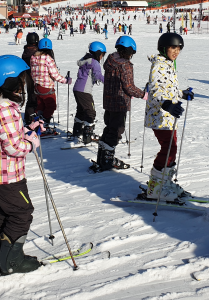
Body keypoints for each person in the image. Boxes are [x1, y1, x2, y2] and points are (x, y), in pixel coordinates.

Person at [0, 55, 43, 276]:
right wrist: (32, 142)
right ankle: (11, 261)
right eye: (21, 79)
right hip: (7, 175)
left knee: (0, 211)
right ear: (10, 81)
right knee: (21, 213)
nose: (23, 83)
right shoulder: (6, 109)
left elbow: (4, 134)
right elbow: (14, 148)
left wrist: (27, 129)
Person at [144, 33, 194, 201]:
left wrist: (181, 93)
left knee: (171, 147)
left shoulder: (169, 64)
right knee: (169, 148)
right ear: (164, 48)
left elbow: (169, 88)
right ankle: (155, 188)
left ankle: (165, 183)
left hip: (168, 115)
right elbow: (156, 89)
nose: (176, 51)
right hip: (159, 114)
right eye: (173, 48)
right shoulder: (159, 65)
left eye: (179, 48)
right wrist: (167, 104)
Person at [94, 36, 146, 172]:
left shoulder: (110, 60)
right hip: (119, 104)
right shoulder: (126, 65)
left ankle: (102, 157)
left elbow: (120, 84)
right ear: (129, 51)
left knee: (109, 128)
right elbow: (129, 86)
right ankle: (107, 160)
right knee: (116, 131)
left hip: (109, 102)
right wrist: (143, 94)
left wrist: (127, 93)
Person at [30, 38, 71, 135]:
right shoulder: (48, 58)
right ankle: (43, 126)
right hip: (46, 87)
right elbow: (55, 75)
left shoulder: (33, 57)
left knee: (41, 106)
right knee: (51, 106)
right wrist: (66, 80)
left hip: (37, 86)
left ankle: (37, 124)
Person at [71, 42, 106, 145]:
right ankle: (87, 136)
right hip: (84, 91)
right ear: (98, 53)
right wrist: (109, 82)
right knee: (90, 112)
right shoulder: (94, 62)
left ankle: (77, 131)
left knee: (81, 110)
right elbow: (98, 75)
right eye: (102, 54)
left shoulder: (85, 59)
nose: (102, 57)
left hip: (77, 89)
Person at [21, 33, 40, 125]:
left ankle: (29, 117)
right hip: (35, 77)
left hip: (28, 77)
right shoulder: (35, 52)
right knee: (34, 97)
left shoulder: (26, 50)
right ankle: (31, 118)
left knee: (31, 96)